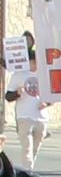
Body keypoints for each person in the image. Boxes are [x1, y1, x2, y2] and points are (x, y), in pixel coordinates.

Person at [5, 37, 47, 170]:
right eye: (34, 61)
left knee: (35, 149)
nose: (35, 64)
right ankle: (28, 173)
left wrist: (47, 103)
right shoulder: (18, 75)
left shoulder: (44, 75)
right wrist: (17, 93)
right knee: (27, 149)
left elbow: (53, 94)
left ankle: (30, 170)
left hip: (41, 118)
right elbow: (8, 96)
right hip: (24, 117)